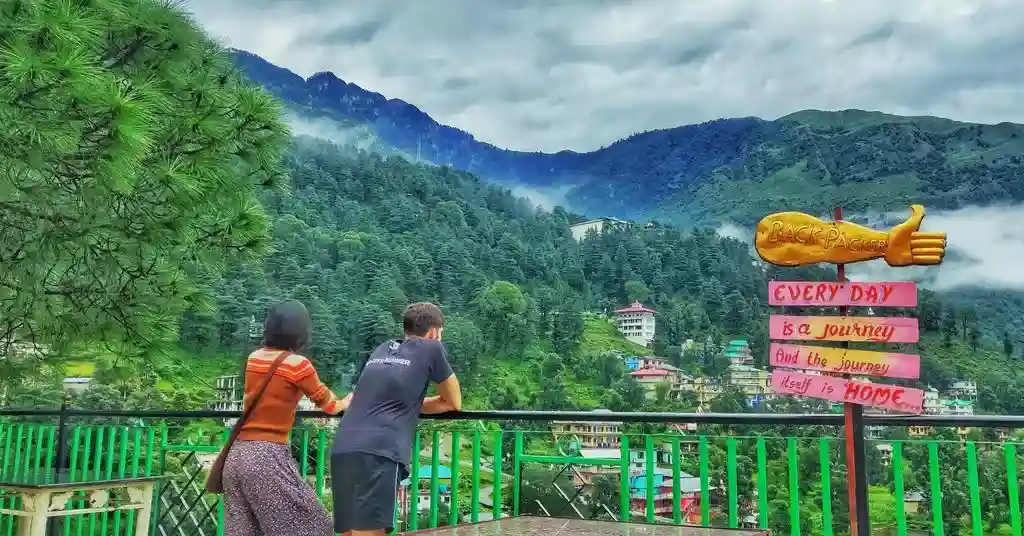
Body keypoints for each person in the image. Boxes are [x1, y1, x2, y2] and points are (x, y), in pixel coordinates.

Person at [331, 302, 463, 536]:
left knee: (349, 532)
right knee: (369, 532)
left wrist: (409, 402)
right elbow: (453, 401)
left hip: (344, 446)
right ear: (433, 332)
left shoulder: (382, 349)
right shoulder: (432, 348)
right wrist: (414, 404)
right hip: (379, 450)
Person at [223, 300, 349, 536]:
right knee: (315, 526)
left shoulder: (254, 358)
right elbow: (330, 404)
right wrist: (348, 402)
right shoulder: (298, 365)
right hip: (266, 457)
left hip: (237, 454)